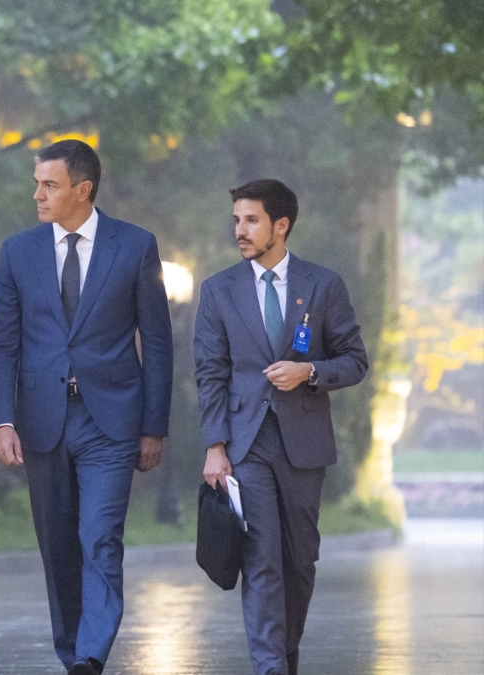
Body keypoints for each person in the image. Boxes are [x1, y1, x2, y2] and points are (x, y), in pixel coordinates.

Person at [0, 140, 173, 675]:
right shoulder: (18, 252)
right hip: (42, 420)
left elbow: (156, 342)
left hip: (110, 422)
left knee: (100, 536)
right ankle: (72, 654)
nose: (37, 194)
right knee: (59, 545)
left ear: (82, 190)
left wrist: (154, 426)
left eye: (50, 185)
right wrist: (2, 420)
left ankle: (92, 652)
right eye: (37, 183)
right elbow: (2, 344)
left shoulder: (135, 247)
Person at [195, 179, 368, 675]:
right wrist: (215, 445)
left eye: (251, 220)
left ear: (281, 225)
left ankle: (285, 654)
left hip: (304, 444)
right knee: (262, 559)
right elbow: (210, 374)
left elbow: (355, 361)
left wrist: (309, 372)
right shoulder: (218, 290)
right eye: (236, 221)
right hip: (246, 445)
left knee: (299, 562)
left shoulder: (323, 285)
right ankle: (269, 667)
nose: (240, 230)